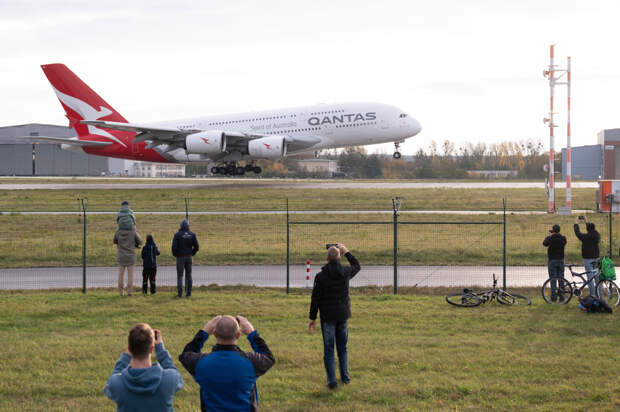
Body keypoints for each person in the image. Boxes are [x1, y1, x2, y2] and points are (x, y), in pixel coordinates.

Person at [179, 315, 275, 412]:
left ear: (215, 334)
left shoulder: (200, 363)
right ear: (238, 335)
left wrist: (204, 332)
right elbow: (268, 357)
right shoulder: (251, 362)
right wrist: (252, 334)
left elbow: (186, 354)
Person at [308, 243, 361, 389]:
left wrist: (312, 318)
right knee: (343, 348)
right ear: (339, 258)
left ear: (327, 258)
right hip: (343, 316)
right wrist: (347, 252)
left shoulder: (321, 276)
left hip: (328, 318)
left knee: (329, 350)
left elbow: (315, 299)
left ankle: (332, 382)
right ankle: (345, 378)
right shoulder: (345, 272)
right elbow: (357, 265)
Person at [105, 323, 184, 411]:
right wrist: (161, 350)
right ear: (152, 349)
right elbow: (176, 376)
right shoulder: (170, 379)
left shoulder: (116, 384)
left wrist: (125, 357)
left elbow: (109, 386)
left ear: (130, 349)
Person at [171, 219, 199, 298]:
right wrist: (192, 253)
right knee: (189, 275)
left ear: (181, 226)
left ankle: (180, 294)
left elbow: (174, 247)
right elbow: (197, 247)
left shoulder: (177, 235)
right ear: (188, 226)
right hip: (189, 257)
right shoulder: (192, 235)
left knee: (180, 276)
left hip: (180, 257)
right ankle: (188, 293)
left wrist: (175, 254)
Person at [574, 215, 601, 296]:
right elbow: (590, 229)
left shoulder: (585, 237)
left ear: (588, 229)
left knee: (590, 278)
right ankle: (599, 295)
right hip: (596, 258)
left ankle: (593, 295)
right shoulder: (597, 235)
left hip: (588, 259)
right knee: (597, 278)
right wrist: (586, 221)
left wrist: (576, 223)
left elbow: (578, 233)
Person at [114, 227, 143, 296]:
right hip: (131, 256)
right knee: (130, 275)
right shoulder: (133, 231)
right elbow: (140, 241)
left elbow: (114, 241)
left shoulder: (118, 231)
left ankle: (121, 292)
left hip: (121, 256)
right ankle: (129, 292)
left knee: (120, 275)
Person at [543, 224, 567, 302]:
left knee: (553, 279)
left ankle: (553, 297)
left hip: (552, 260)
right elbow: (564, 242)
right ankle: (562, 296)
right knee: (561, 279)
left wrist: (548, 236)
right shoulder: (563, 238)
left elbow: (544, 244)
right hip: (560, 260)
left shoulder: (551, 238)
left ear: (553, 230)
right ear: (559, 230)